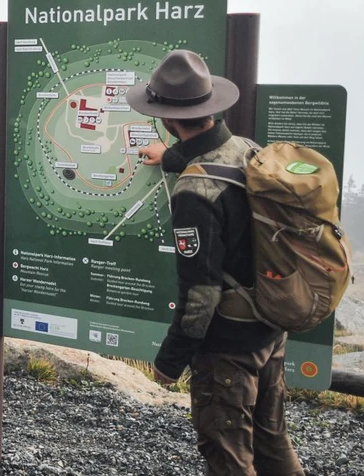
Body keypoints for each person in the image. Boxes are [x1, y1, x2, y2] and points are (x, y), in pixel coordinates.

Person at [131, 50, 305, 476]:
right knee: (271, 441)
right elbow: (214, 161)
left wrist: (170, 361)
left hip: (228, 347)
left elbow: (202, 292)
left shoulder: (194, 193)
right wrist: (170, 157)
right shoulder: (247, 149)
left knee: (228, 456)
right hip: (269, 328)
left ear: (168, 119)